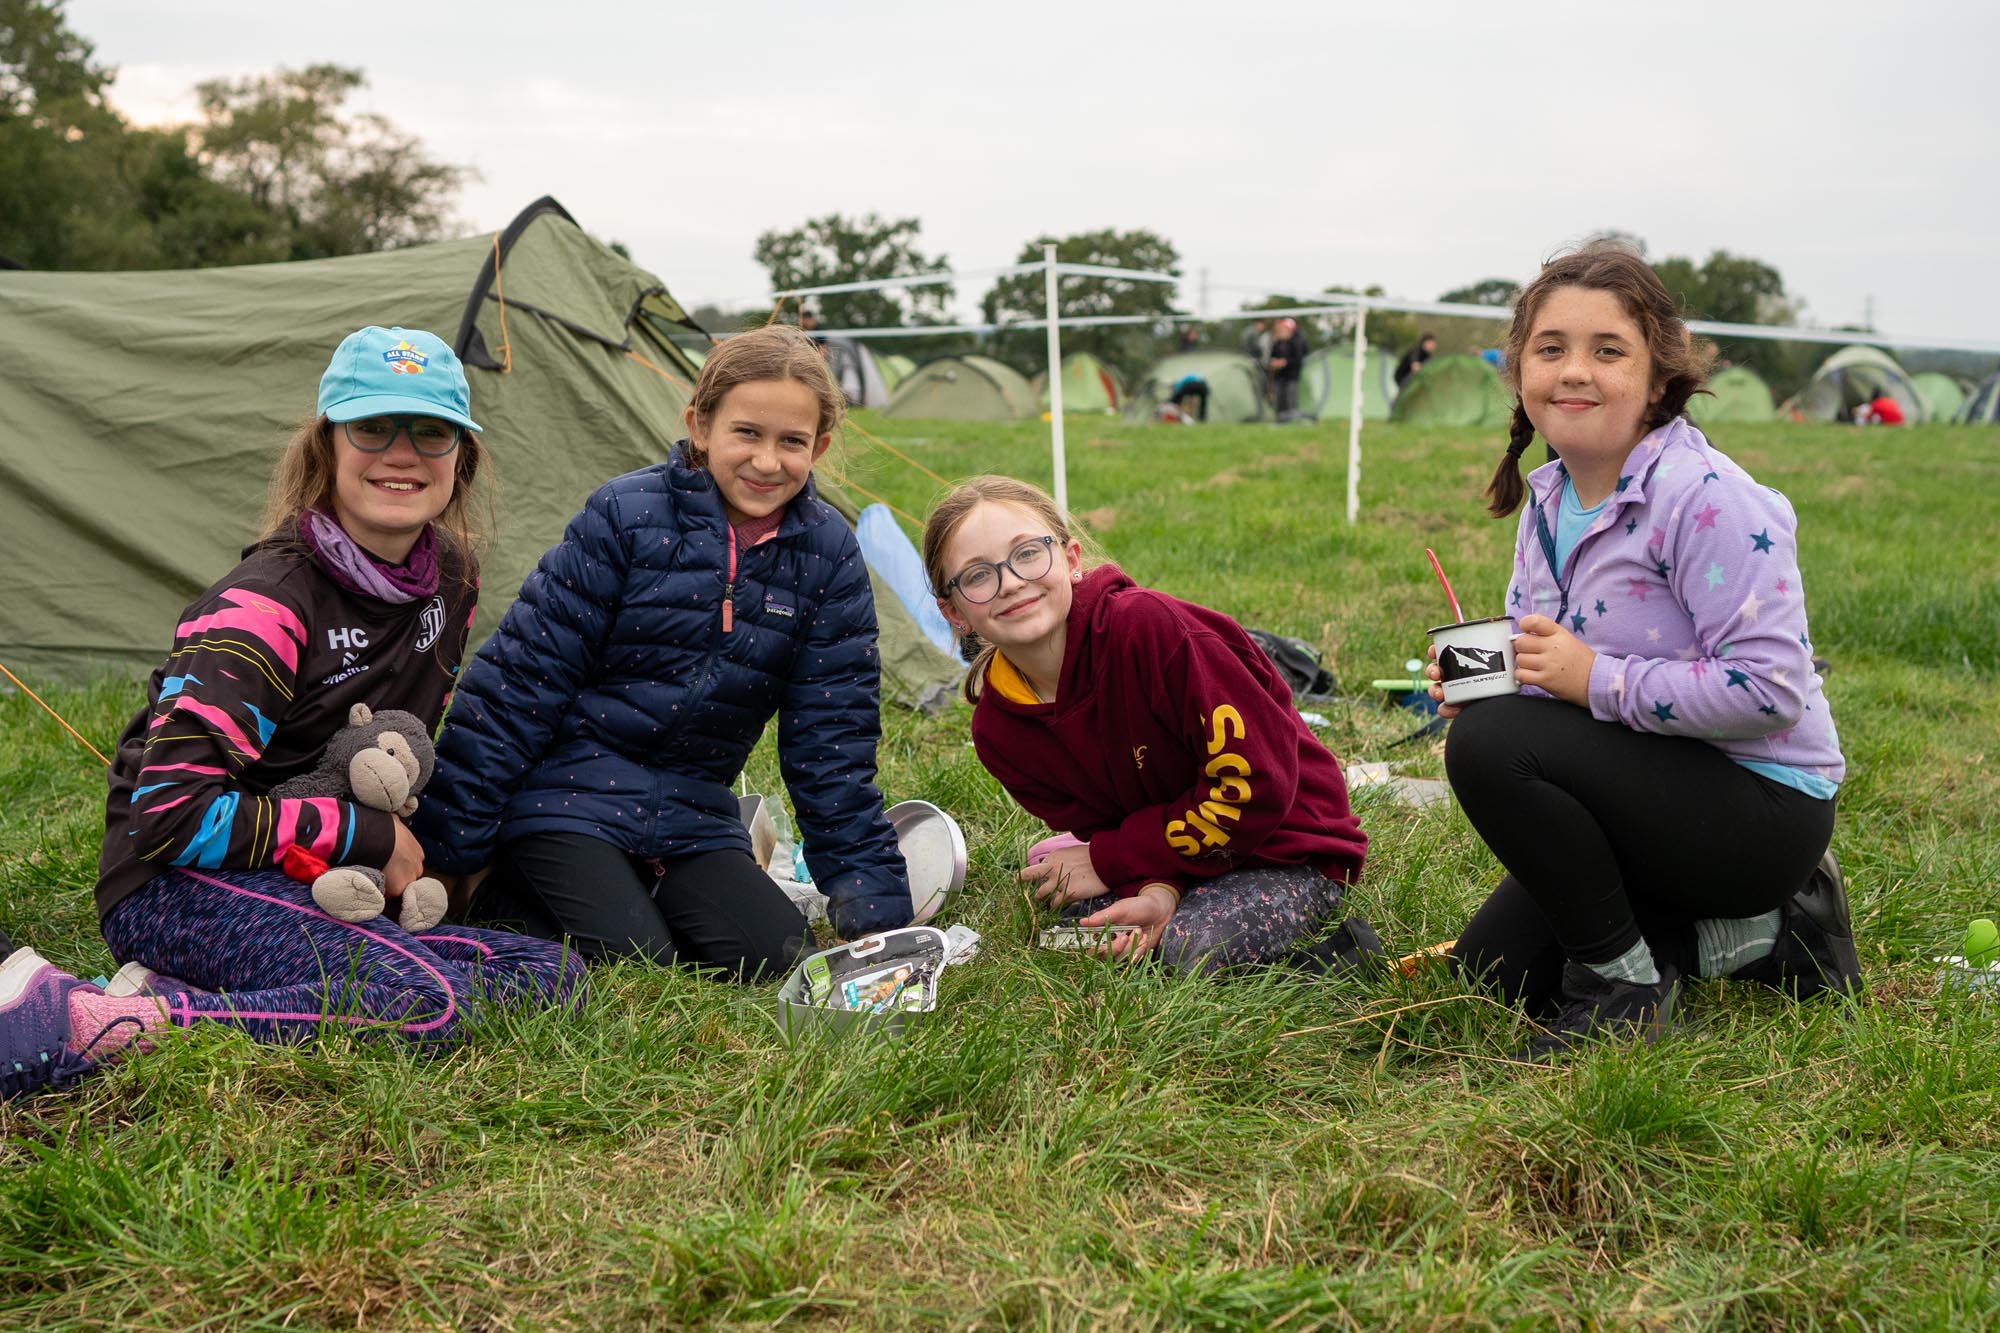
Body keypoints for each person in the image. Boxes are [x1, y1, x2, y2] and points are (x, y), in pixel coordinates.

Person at [1, 327, 586, 1101]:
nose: (402, 453)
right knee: (429, 1002)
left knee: (553, 972)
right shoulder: (267, 603)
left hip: (318, 876)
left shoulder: (452, 579)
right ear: (328, 444)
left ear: (460, 456)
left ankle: (195, 991)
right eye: (372, 427)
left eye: (431, 430)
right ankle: (88, 1019)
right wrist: (362, 832)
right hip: (176, 881)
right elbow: (167, 817)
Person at [1425, 242, 1855, 1062]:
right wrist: (1491, 674)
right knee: (1495, 974)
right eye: (1550, 348)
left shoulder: (1707, 498)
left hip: (1762, 810)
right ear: (1519, 372)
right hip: (1651, 781)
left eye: (1608, 350)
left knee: (1490, 744)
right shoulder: (1549, 498)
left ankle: (1624, 989)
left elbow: (1771, 690)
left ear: (1659, 378)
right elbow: (1553, 656)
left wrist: (1594, 679)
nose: (1573, 371)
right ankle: (1779, 936)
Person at [412, 325, 911, 975]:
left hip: (692, 815)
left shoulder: (829, 556)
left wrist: (874, 907)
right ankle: (493, 885)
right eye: (747, 433)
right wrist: (446, 850)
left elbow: (832, 744)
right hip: (566, 795)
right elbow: (519, 684)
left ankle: (634, 897)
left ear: (817, 447)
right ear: (700, 426)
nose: (767, 461)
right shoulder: (625, 515)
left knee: (778, 957)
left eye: (791, 441)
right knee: (637, 959)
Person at [922, 477, 1373, 974]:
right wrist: (1156, 890)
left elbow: (1257, 788)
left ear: (1071, 559)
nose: (1010, 582)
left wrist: (1111, 859)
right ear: (954, 612)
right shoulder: (999, 732)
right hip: (1178, 852)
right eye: (978, 575)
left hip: (1284, 847)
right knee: (1074, 914)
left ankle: (1343, 952)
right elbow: (1107, 825)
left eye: (1027, 553)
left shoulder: (1151, 629)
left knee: (1188, 949)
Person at [1267, 317, 1309, 420]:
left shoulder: (1295, 343)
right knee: (1279, 398)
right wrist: (1274, 363)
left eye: (1284, 329)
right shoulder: (1276, 344)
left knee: (1291, 398)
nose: (1281, 332)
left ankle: (1292, 418)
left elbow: (1298, 360)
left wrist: (1285, 362)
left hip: (1291, 376)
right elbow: (1272, 358)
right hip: (1279, 376)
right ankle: (1280, 418)